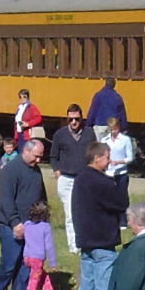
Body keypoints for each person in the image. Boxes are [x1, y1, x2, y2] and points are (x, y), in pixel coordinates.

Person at [73, 139, 127, 290]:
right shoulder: (102, 182)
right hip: (103, 243)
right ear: (97, 158)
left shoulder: (79, 179)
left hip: (86, 242)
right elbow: (122, 202)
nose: (109, 161)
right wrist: (119, 179)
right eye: (107, 157)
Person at [0, 137, 46, 290]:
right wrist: (15, 223)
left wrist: (43, 220)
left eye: (41, 157)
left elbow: (41, 196)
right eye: (36, 156)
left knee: (26, 262)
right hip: (10, 224)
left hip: (31, 224)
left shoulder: (36, 171)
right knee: (10, 261)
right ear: (26, 151)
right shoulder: (10, 170)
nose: (38, 160)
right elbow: (6, 199)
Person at [49, 104, 96, 255]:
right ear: (67, 119)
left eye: (76, 119)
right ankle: (73, 245)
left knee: (86, 211)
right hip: (66, 178)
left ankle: (86, 241)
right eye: (70, 119)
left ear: (81, 118)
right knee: (70, 213)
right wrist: (57, 172)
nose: (74, 122)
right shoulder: (60, 135)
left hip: (84, 179)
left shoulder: (89, 133)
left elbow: (94, 154)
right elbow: (53, 156)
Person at [20, 201, 58, 290]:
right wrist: (52, 263)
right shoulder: (45, 227)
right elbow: (49, 246)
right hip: (37, 259)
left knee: (42, 275)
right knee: (34, 281)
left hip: (27, 257)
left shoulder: (26, 225)